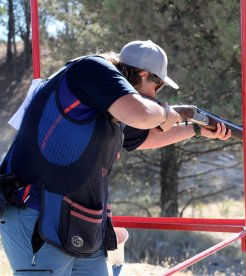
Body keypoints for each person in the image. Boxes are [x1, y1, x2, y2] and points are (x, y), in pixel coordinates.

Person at [0, 40, 231, 275]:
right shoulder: (91, 68)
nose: (156, 95)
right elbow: (143, 115)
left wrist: (197, 129)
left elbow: (144, 137)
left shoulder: (108, 105)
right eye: (157, 87)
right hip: (39, 215)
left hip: (81, 222)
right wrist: (169, 113)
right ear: (143, 75)